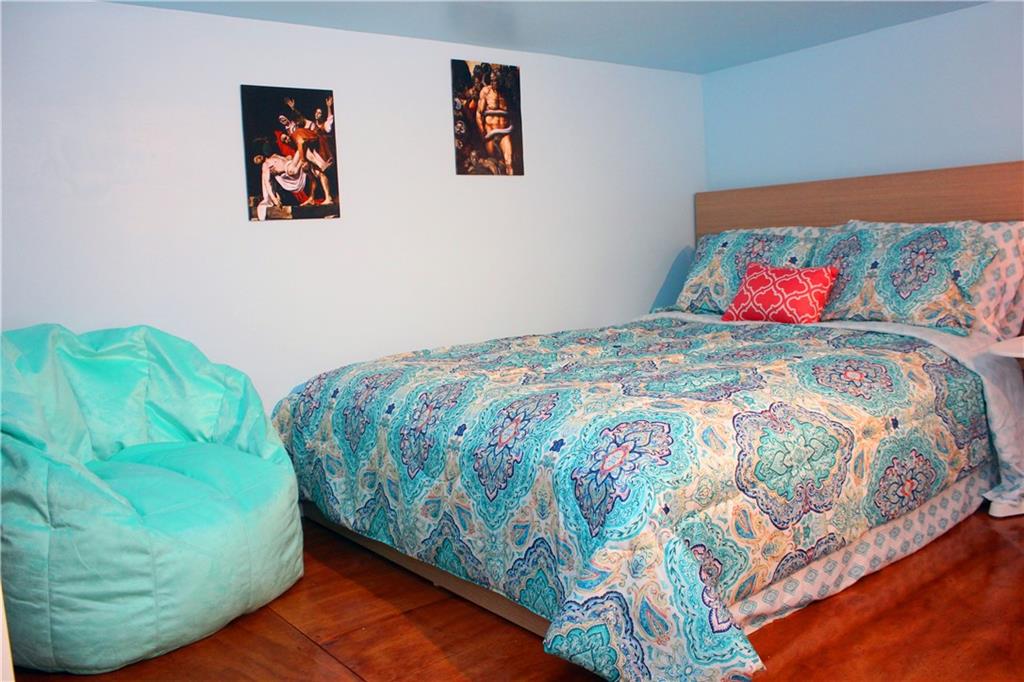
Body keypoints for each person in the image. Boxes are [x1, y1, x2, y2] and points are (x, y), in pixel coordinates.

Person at [476, 65, 516, 175]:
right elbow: (479, 114)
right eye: (492, 80)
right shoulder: (486, 92)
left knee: (509, 162)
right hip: (490, 133)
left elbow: (513, 113)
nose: (494, 83)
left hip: (504, 132)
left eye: (497, 81)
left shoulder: (507, 93)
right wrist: (482, 133)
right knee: (493, 164)